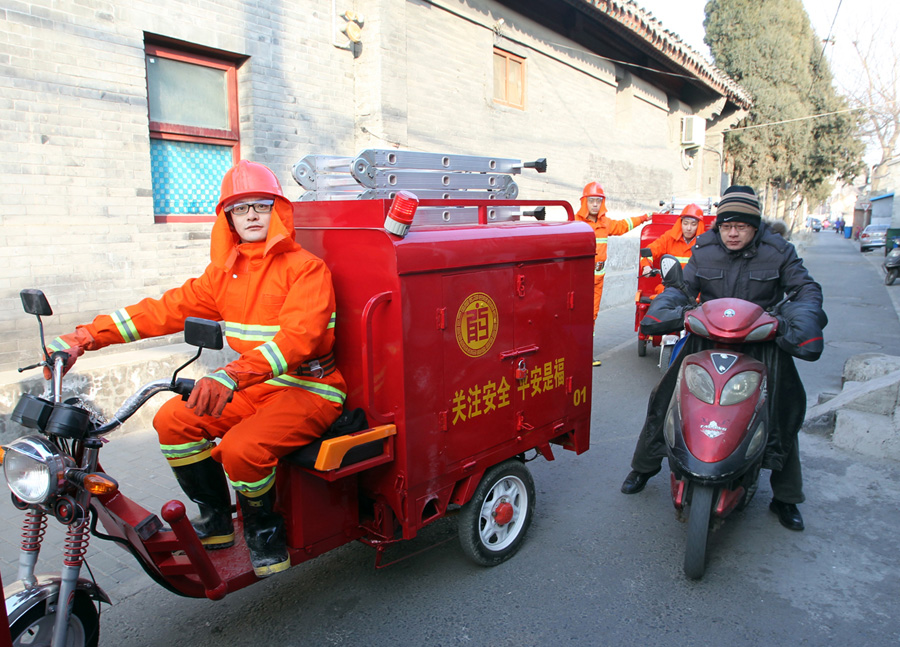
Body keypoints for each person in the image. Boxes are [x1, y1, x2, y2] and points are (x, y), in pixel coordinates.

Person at [46, 160, 346, 577]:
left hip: (309, 389)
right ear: (229, 220)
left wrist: (229, 376)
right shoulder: (223, 275)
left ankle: (264, 530)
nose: (252, 215)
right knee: (173, 420)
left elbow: (299, 341)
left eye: (261, 205)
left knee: (243, 449)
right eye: (241, 209)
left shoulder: (306, 269)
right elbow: (160, 311)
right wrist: (85, 338)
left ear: (278, 211)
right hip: (256, 387)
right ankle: (218, 521)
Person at [620, 185, 826, 532]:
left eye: (742, 227)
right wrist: (668, 308)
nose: (733, 233)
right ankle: (643, 467)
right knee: (665, 397)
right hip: (707, 338)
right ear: (718, 224)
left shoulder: (779, 251)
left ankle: (786, 497)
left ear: (755, 226)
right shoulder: (705, 249)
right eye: (727, 225)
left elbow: (805, 290)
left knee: (786, 406)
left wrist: (798, 319)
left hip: (762, 342)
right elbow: (682, 288)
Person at [576, 182, 649, 366]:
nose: (595, 204)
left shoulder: (605, 223)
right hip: (579, 280)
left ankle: (586, 353)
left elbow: (624, 225)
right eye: (591, 200)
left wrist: (644, 217)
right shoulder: (576, 223)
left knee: (592, 316)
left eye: (598, 201)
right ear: (585, 202)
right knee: (578, 316)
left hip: (597, 280)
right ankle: (575, 352)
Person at [639, 204, 706, 285]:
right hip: (671, 286)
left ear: (699, 225)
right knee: (662, 296)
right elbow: (650, 251)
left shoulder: (706, 242)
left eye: (693, 224)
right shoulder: (669, 237)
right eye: (685, 223)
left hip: (696, 288)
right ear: (680, 223)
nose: (688, 228)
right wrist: (646, 267)